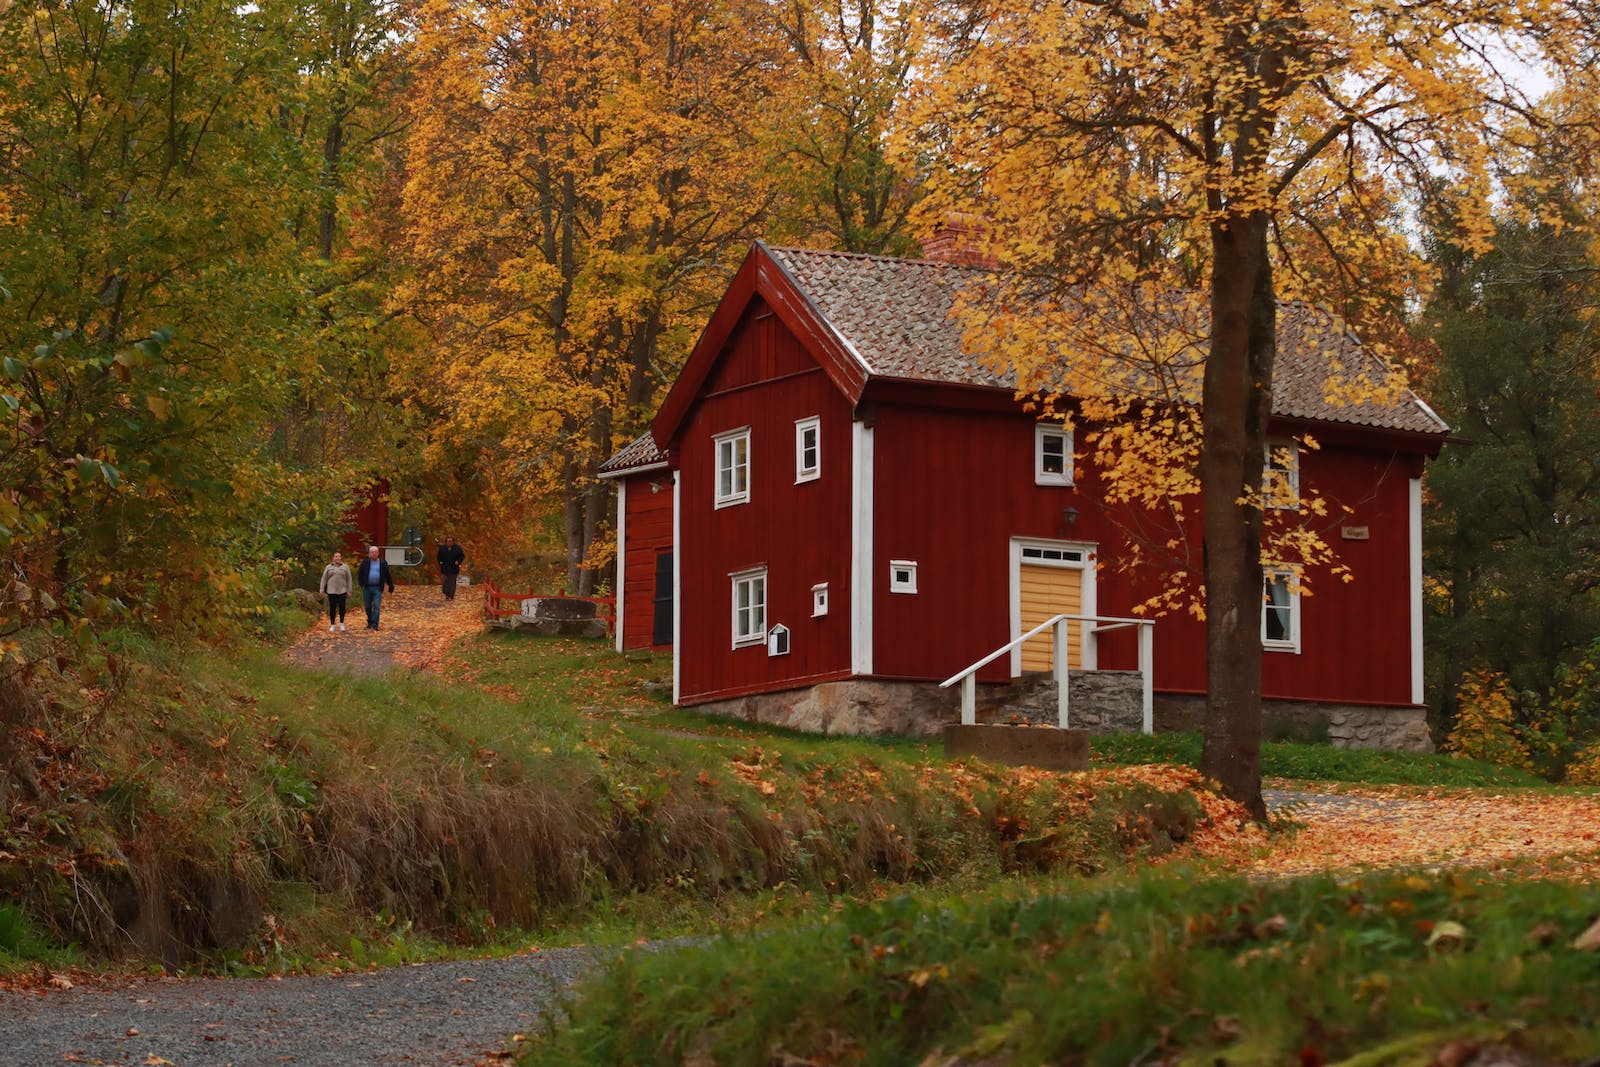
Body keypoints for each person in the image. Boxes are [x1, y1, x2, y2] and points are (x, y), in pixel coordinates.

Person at [355, 545, 395, 630]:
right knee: (368, 606)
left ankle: (375, 624)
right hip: (367, 587)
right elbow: (360, 574)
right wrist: (361, 583)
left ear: (378, 553)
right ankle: (370, 621)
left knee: (376, 606)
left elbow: (387, 575)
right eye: (372, 552)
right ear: (369, 554)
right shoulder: (365, 562)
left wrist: (390, 586)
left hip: (377, 588)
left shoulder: (383, 563)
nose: (374, 553)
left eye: (375, 552)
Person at [319, 550, 353, 632]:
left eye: (339, 556)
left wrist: (349, 590)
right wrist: (321, 589)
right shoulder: (328, 567)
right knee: (332, 608)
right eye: (336, 556)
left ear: (341, 558)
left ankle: (342, 623)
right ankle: (332, 624)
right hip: (331, 591)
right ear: (333, 558)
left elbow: (349, 579)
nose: (337, 558)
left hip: (342, 591)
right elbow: (324, 578)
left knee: (342, 607)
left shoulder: (345, 567)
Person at [436, 535, 466, 601]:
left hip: (454, 568)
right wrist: (440, 562)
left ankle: (451, 595)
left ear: (453, 542)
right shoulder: (442, 548)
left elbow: (462, 556)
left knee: (452, 582)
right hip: (445, 568)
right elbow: (438, 556)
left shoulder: (457, 548)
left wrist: (458, 561)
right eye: (448, 541)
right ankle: (446, 593)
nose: (449, 542)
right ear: (446, 542)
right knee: (445, 581)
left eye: (451, 541)